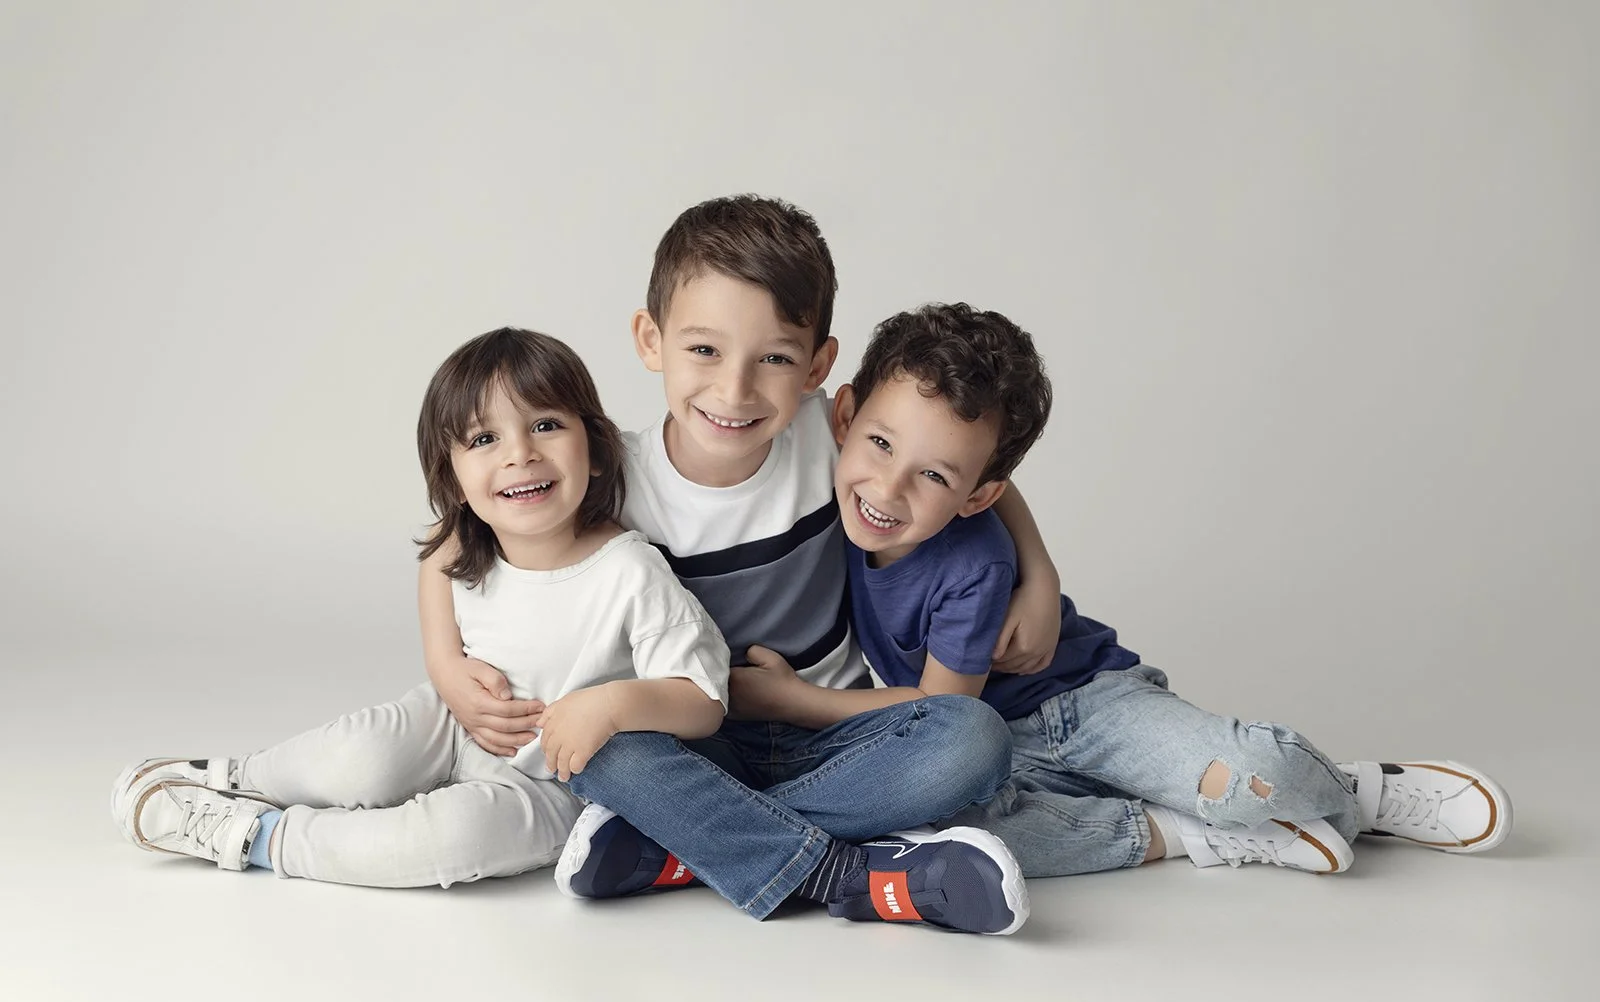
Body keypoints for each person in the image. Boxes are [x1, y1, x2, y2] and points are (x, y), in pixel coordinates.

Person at [422, 197, 1061, 934]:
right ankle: (844, 873)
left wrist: (1038, 573)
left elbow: (959, 463)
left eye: (775, 359)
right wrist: (444, 662)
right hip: (698, 741)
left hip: (834, 731)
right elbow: (458, 531)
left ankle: (689, 843)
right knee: (604, 747)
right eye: (704, 350)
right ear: (651, 340)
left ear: (818, 367)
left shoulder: (830, 433)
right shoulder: (613, 475)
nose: (734, 391)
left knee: (974, 737)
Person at [732, 302, 1513, 878]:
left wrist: (796, 701)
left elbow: (941, 708)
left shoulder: (972, 561)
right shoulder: (831, 469)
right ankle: (1186, 833)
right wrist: (1045, 569)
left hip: (1083, 707)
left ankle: (1353, 793)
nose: (888, 487)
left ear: (975, 494)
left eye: (933, 476)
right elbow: (951, 458)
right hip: (995, 751)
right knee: (933, 833)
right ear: (845, 416)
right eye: (880, 443)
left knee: (1247, 777)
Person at [111, 327, 728, 888]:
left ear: (594, 451)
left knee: (450, 839)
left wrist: (612, 705)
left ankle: (258, 837)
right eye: (484, 439)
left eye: (545, 425)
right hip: (452, 719)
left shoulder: (630, 571)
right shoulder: (472, 537)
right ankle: (235, 780)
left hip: (555, 780)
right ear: (455, 481)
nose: (519, 454)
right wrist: (444, 664)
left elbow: (704, 700)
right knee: (359, 755)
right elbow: (440, 552)